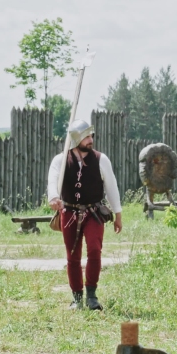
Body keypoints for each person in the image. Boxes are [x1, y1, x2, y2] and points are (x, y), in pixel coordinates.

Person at [47, 119, 122, 311]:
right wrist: (54, 197)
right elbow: (53, 179)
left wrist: (118, 214)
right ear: (75, 139)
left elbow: (111, 187)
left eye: (91, 136)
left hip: (94, 212)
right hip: (69, 212)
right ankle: (77, 297)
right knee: (72, 256)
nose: (91, 140)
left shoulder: (101, 159)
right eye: (86, 136)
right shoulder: (61, 160)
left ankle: (91, 295)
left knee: (95, 250)